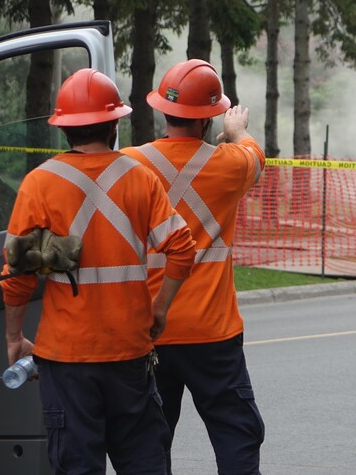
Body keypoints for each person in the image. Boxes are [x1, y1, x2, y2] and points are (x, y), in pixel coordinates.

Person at [1, 69, 197, 474]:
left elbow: (18, 273)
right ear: (114, 124)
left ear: (63, 129)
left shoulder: (39, 184)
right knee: (144, 461)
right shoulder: (140, 178)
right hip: (129, 351)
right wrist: (159, 311)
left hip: (66, 359)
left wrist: (14, 336)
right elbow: (181, 248)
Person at [122, 59, 266, 474]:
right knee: (235, 433)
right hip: (212, 331)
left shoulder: (130, 164)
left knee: (149, 440)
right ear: (208, 118)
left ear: (162, 111)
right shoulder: (233, 164)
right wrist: (235, 131)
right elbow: (255, 155)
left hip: (149, 326)